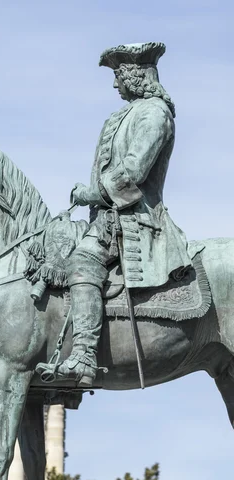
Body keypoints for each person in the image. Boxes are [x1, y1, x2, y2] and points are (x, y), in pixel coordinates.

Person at [51, 42, 191, 387]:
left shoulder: (155, 114)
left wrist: (92, 193)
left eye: (119, 76)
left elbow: (132, 172)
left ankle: (83, 353)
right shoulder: (122, 115)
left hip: (135, 221)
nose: (115, 85)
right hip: (107, 217)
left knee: (82, 262)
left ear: (136, 74)